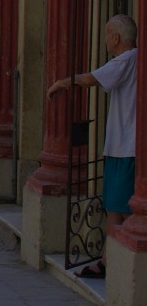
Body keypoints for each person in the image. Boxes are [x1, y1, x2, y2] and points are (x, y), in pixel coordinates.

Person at [48, 14, 138, 277]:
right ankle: (110, 260)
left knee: (120, 208)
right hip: (120, 146)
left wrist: (62, 83)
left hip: (126, 148)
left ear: (116, 37)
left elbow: (92, 79)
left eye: (107, 35)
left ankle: (113, 263)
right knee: (115, 206)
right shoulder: (131, 61)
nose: (106, 41)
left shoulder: (127, 59)